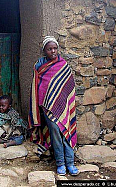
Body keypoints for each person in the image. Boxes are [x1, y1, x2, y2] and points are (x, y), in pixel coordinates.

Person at [28, 36, 79, 176]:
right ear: (44, 50)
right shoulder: (39, 66)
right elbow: (37, 87)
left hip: (63, 106)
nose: (53, 51)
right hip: (47, 107)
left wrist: (66, 103)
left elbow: (69, 86)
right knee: (55, 133)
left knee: (66, 132)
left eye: (55, 48)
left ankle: (71, 163)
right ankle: (61, 164)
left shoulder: (63, 65)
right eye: (50, 49)